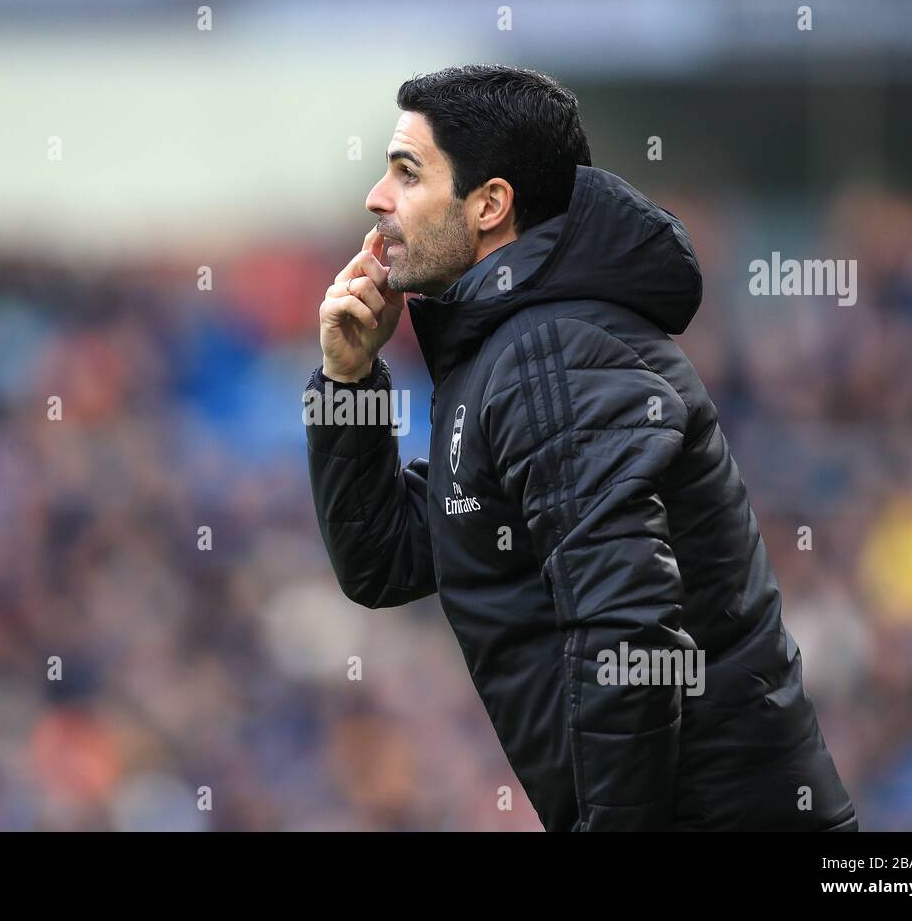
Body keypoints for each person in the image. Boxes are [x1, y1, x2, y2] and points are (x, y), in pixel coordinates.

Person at [304, 64, 858, 831]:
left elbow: (626, 628)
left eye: (407, 171)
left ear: (490, 205)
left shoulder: (554, 352)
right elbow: (385, 561)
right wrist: (347, 378)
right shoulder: (507, 350)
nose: (378, 196)